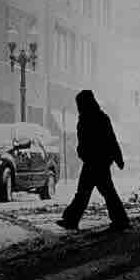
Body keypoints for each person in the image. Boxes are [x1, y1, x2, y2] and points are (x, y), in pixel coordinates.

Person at [56, 90, 130, 231]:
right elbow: (111, 140)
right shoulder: (99, 118)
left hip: (94, 162)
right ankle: (120, 220)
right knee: (103, 192)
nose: (78, 106)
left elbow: (106, 140)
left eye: (79, 103)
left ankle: (72, 220)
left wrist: (82, 153)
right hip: (98, 161)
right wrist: (118, 158)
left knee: (87, 192)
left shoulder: (88, 119)